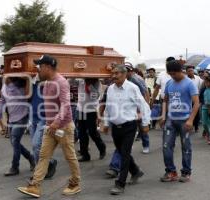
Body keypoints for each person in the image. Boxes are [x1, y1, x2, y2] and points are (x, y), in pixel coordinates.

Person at [18, 54, 81, 198]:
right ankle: (35, 186)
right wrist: (50, 123)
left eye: (40, 66)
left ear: (47, 67)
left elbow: (66, 106)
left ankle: (75, 183)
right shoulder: (46, 82)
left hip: (63, 127)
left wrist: (56, 123)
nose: (38, 69)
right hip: (50, 127)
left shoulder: (61, 82)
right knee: (43, 156)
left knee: (70, 156)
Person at [102, 64, 150, 195]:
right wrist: (106, 123)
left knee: (124, 154)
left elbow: (143, 106)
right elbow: (108, 107)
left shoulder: (132, 88)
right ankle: (135, 171)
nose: (114, 76)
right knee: (123, 152)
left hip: (129, 126)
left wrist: (145, 123)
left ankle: (120, 184)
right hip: (115, 128)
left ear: (124, 74)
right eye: (113, 73)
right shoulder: (110, 88)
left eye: (117, 73)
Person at [160, 60, 199, 183]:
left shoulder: (189, 84)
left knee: (186, 147)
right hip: (171, 120)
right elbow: (165, 100)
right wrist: (163, 116)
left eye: (174, 73)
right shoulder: (169, 83)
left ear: (181, 71)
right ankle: (171, 172)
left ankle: (186, 172)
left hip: (185, 120)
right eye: (170, 74)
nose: (172, 76)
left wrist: (191, 120)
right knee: (166, 147)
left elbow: (197, 103)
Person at [0, 76, 35, 176]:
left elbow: (27, 95)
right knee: (14, 142)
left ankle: (14, 167)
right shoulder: (4, 87)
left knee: (15, 141)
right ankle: (30, 157)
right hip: (12, 118)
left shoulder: (20, 85)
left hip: (22, 117)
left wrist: (27, 79)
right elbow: (2, 102)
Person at [29, 74, 57, 178]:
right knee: (36, 146)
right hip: (33, 117)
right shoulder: (33, 82)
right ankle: (49, 163)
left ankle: (40, 171)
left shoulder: (50, 82)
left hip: (44, 118)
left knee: (36, 145)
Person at [77, 78, 106, 162]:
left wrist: (89, 84)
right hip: (80, 110)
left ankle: (102, 148)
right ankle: (85, 155)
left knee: (92, 132)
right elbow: (70, 81)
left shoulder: (97, 82)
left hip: (91, 111)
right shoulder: (80, 80)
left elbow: (96, 96)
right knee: (81, 134)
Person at [186, 65, 203, 132]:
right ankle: (189, 126)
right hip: (187, 99)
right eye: (189, 71)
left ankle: (196, 127)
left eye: (192, 70)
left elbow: (201, 87)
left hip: (195, 98)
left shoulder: (198, 78)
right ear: (186, 72)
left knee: (196, 113)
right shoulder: (185, 79)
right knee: (188, 113)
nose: (191, 72)